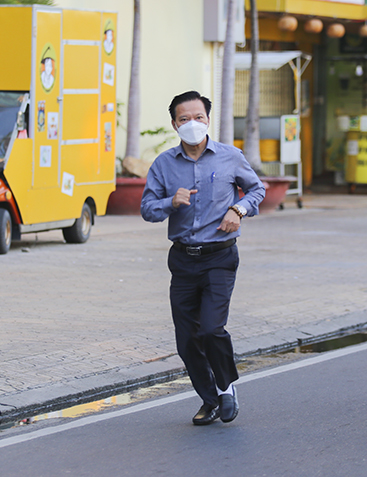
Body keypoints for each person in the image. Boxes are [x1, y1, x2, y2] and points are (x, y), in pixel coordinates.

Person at [141, 91, 265, 426]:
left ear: (208, 120)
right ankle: (209, 399)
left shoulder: (229, 157)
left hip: (220, 257)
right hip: (182, 260)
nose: (192, 124)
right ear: (174, 124)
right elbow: (147, 209)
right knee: (186, 340)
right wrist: (170, 202)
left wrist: (238, 209)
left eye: (198, 118)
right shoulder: (164, 164)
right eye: (185, 119)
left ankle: (226, 388)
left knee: (211, 329)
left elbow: (257, 189)